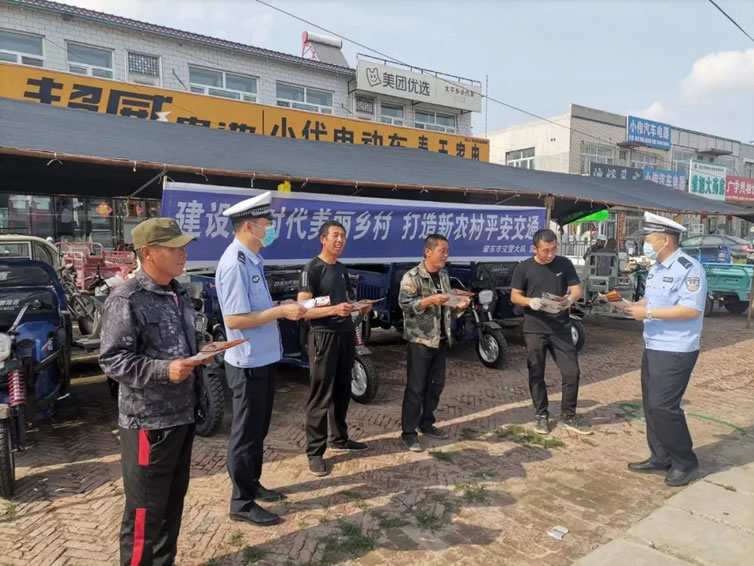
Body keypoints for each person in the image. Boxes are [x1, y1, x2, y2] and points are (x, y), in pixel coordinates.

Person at [99, 218, 211, 566]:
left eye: (184, 246)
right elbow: (113, 360)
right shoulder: (127, 298)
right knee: (144, 513)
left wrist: (203, 351)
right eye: (174, 247)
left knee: (171, 506)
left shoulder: (179, 294)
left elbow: (180, 344)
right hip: (149, 423)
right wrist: (166, 369)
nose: (183, 253)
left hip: (183, 415)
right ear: (147, 253)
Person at [215, 191, 307, 526]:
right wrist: (280, 312)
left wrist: (280, 307)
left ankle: (252, 483)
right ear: (249, 226)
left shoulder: (252, 259)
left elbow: (255, 309)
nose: (271, 228)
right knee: (245, 434)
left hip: (264, 359)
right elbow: (235, 319)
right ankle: (241, 502)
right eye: (267, 223)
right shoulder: (233, 263)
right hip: (247, 362)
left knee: (258, 429)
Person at [624, 212, 706, 487]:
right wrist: (630, 306)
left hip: (676, 348)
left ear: (666, 240)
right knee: (651, 405)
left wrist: (648, 312)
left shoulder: (689, 268)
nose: (646, 244)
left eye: (649, 239)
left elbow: (690, 309)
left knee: (664, 406)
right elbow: (652, 301)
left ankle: (685, 462)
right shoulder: (656, 268)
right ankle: (660, 456)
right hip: (653, 344)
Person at [298, 221, 371, 477]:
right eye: (335, 235)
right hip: (323, 337)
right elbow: (302, 308)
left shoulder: (341, 268)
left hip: (345, 335)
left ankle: (340, 438)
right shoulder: (312, 269)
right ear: (323, 239)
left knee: (342, 391)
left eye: (343, 236)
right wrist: (333, 310)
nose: (340, 240)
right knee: (321, 395)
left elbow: (346, 301)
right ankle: (314, 453)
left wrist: (359, 306)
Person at [511, 229, 592, 436]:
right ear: (534, 249)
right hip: (535, 328)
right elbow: (514, 296)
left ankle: (568, 416)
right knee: (536, 371)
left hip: (560, 328)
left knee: (571, 372)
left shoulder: (564, 264)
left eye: (554, 249)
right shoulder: (524, 267)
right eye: (545, 250)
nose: (550, 254)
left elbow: (576, 290)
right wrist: (530, 301)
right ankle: (541, 415)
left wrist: (569, 299)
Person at [398, 234, 470, 452]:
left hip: (440, 338)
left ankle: (427, 423)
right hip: (421, 340)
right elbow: (405, 305)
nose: (446, 255)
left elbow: (446, 305)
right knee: (416, 387)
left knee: (436, 385)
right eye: (442, 251)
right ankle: (409, 433)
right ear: (428, 252)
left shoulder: (444, 276)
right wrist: (429, 300)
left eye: (447, 251)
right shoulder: (412, 276)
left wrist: (459, 305)